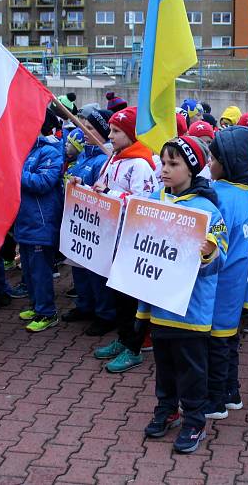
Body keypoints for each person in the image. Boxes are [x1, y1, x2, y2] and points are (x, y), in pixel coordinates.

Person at [138, 136, 227, 455]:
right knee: (164, 362)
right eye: (163, 162)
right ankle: (167, 408)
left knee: (191, 367)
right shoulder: (153, 199)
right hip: (160, 303)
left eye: (173, 164)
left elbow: (221, 258)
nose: (164, 169)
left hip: (191, 309)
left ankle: (194, 420)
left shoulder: (207, 211)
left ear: (191, 169)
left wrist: (208, 253)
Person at [93, 107, 159, 372]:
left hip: (132, 238)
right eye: (110, 130)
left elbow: (142, 202)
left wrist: (108, 193)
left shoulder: (140, 163)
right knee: (118, 293)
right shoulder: (115, 159)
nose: (111, 135)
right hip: (114, 237)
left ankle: (135, 346)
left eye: (117, 131)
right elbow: (104, 188)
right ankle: (123, 338)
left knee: (131, 296)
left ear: (131, 133)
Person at [204, 126, 248, 418]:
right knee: (228, 339)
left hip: (218, 282)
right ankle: (230, 392)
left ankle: (214, 401)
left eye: (213, 158)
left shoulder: (219, 196)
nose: (209, 164)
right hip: (237, 282)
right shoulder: (245, 194)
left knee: (215, 342)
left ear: (229, 162)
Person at [63, 108, 116, 337]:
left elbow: (101, 194)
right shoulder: (85, 154)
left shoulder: (104, 158)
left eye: (91, 127)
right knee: (79, 268)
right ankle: (85, 306)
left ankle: (104, 314)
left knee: (96, 272)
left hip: (95, 225)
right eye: (84, 125)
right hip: (79, 221)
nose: (84, 130)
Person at [15, 108, 65, 332]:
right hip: (25, 220)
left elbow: (44, 182)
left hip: (41, 222)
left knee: (40, 271)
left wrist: (14, 173)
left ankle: (47, 312)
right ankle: (36, 306)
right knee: (28, 270)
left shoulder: (51, 152)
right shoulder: (27, 149)